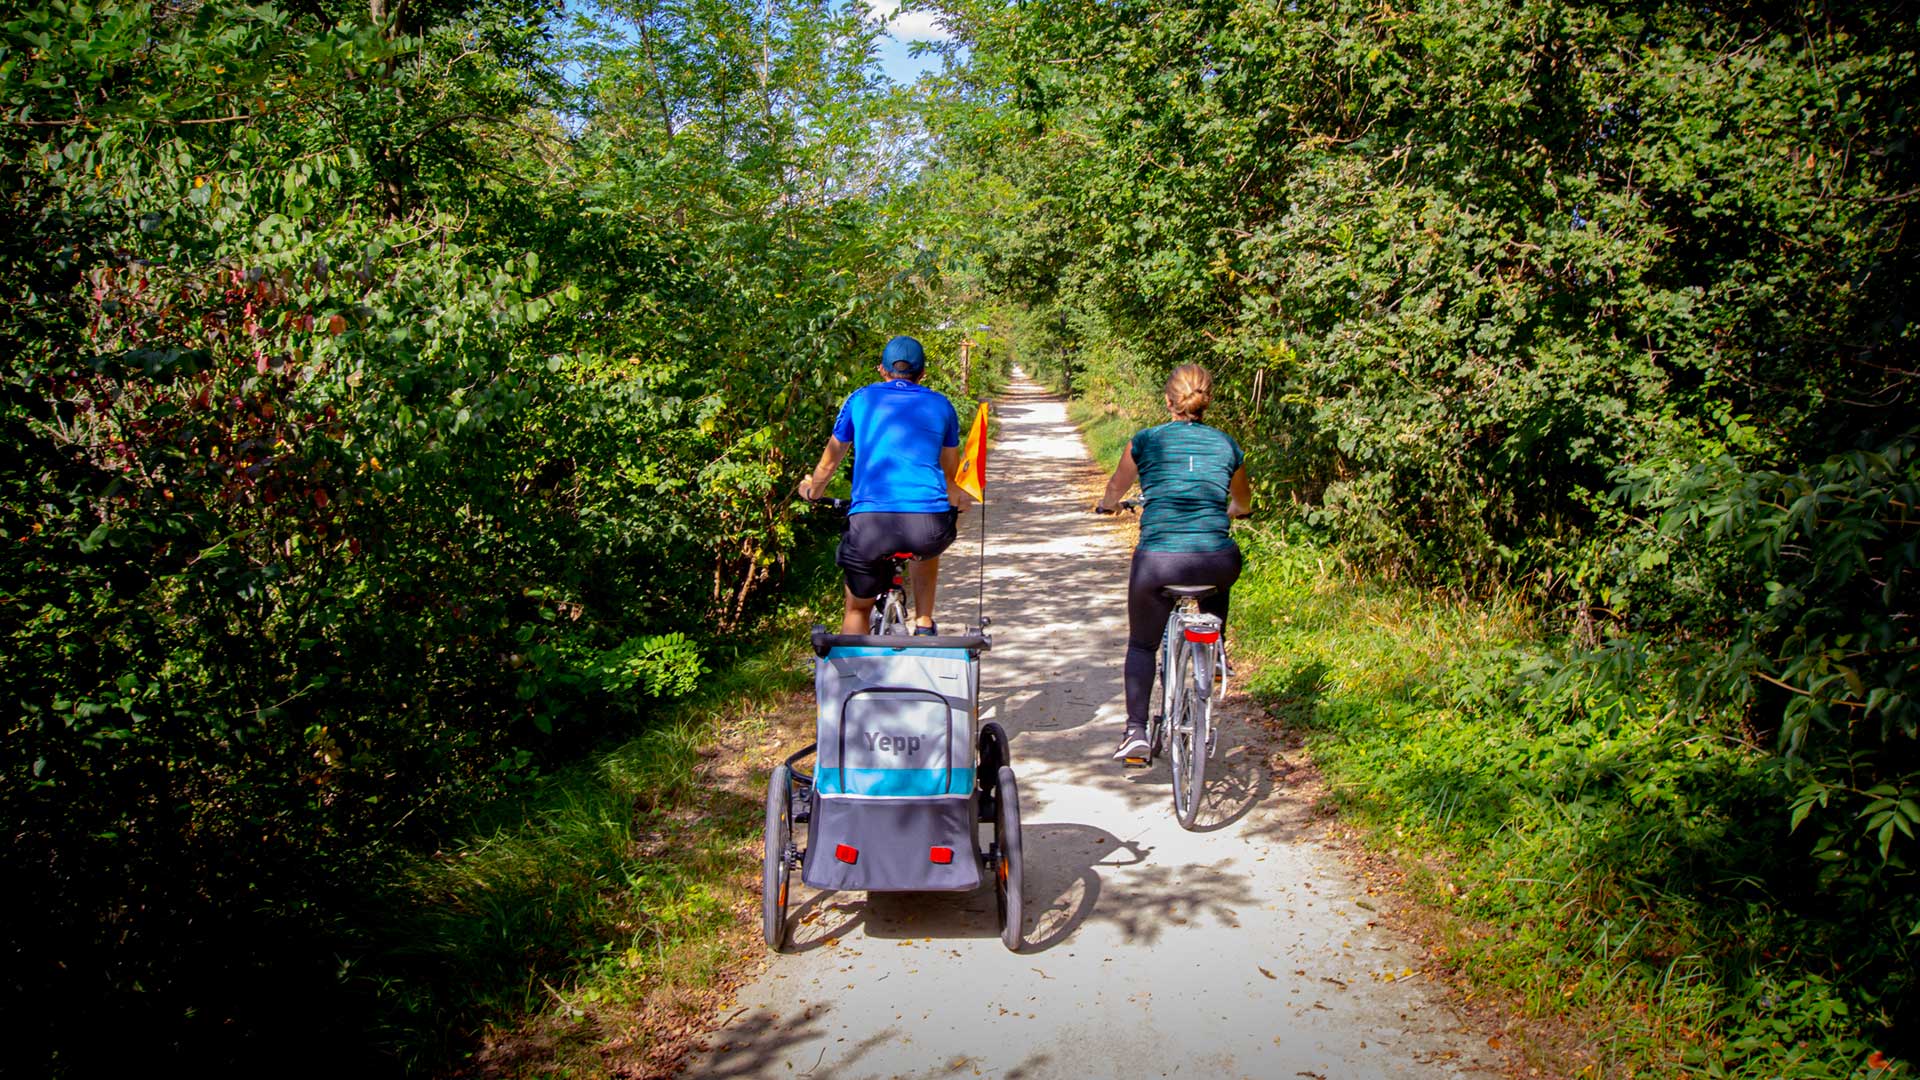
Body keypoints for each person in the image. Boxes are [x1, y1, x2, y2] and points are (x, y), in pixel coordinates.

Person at [1094, 364, 1253, 764]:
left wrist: (1108, 506)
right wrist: (1233, 511)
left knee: (1142, 644)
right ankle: (1216, 649)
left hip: (1159, 563)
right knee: (1219, 562)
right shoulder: (1228, 446)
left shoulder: (1145, 441)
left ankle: (1135, 733)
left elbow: (1117, 486)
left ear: (1168, 401)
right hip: (1215, 561)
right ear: (1207, 402)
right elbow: (1243, 502)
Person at [797, 336, 973, 636]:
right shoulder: (941, 405)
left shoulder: (860, 400)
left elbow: (829, 462)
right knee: (926, 549)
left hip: (871, 525)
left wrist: (813, 490)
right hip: (928, 527)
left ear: (882, 370)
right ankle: (924, 622)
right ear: (923, 373)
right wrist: (957, 495)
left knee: (857, 608)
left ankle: (854, 675)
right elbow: (949, 474)